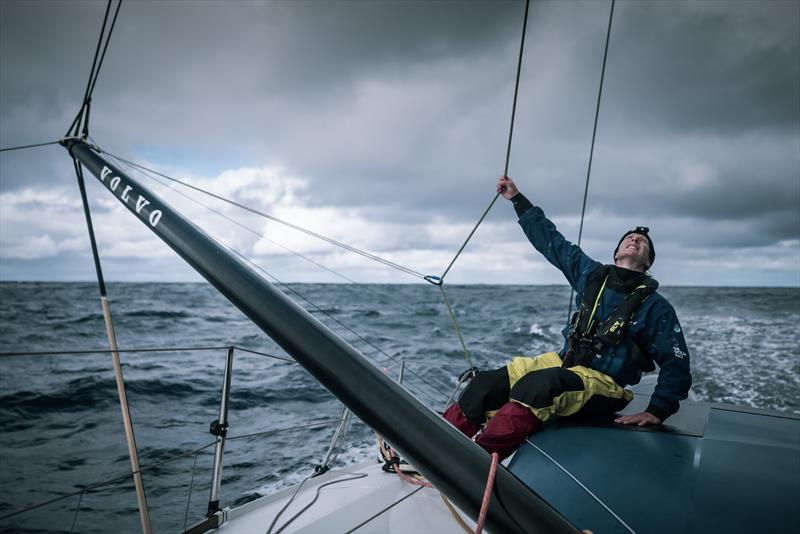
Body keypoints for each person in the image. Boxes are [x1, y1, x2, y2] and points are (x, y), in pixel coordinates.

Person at [442, 176, 692, 460]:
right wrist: (517, 199)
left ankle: (474, 461)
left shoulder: (656, 307)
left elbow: (676, 363)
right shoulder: (591, 275)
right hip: (564, 363)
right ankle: (437, 443)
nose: (635, 239)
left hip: (604, 383)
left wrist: (657, 410)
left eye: (643, 241)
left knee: (538, 387)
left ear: (648, 263)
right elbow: (551, 241)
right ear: (617, 252)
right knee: (486, 384)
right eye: (629, 238)